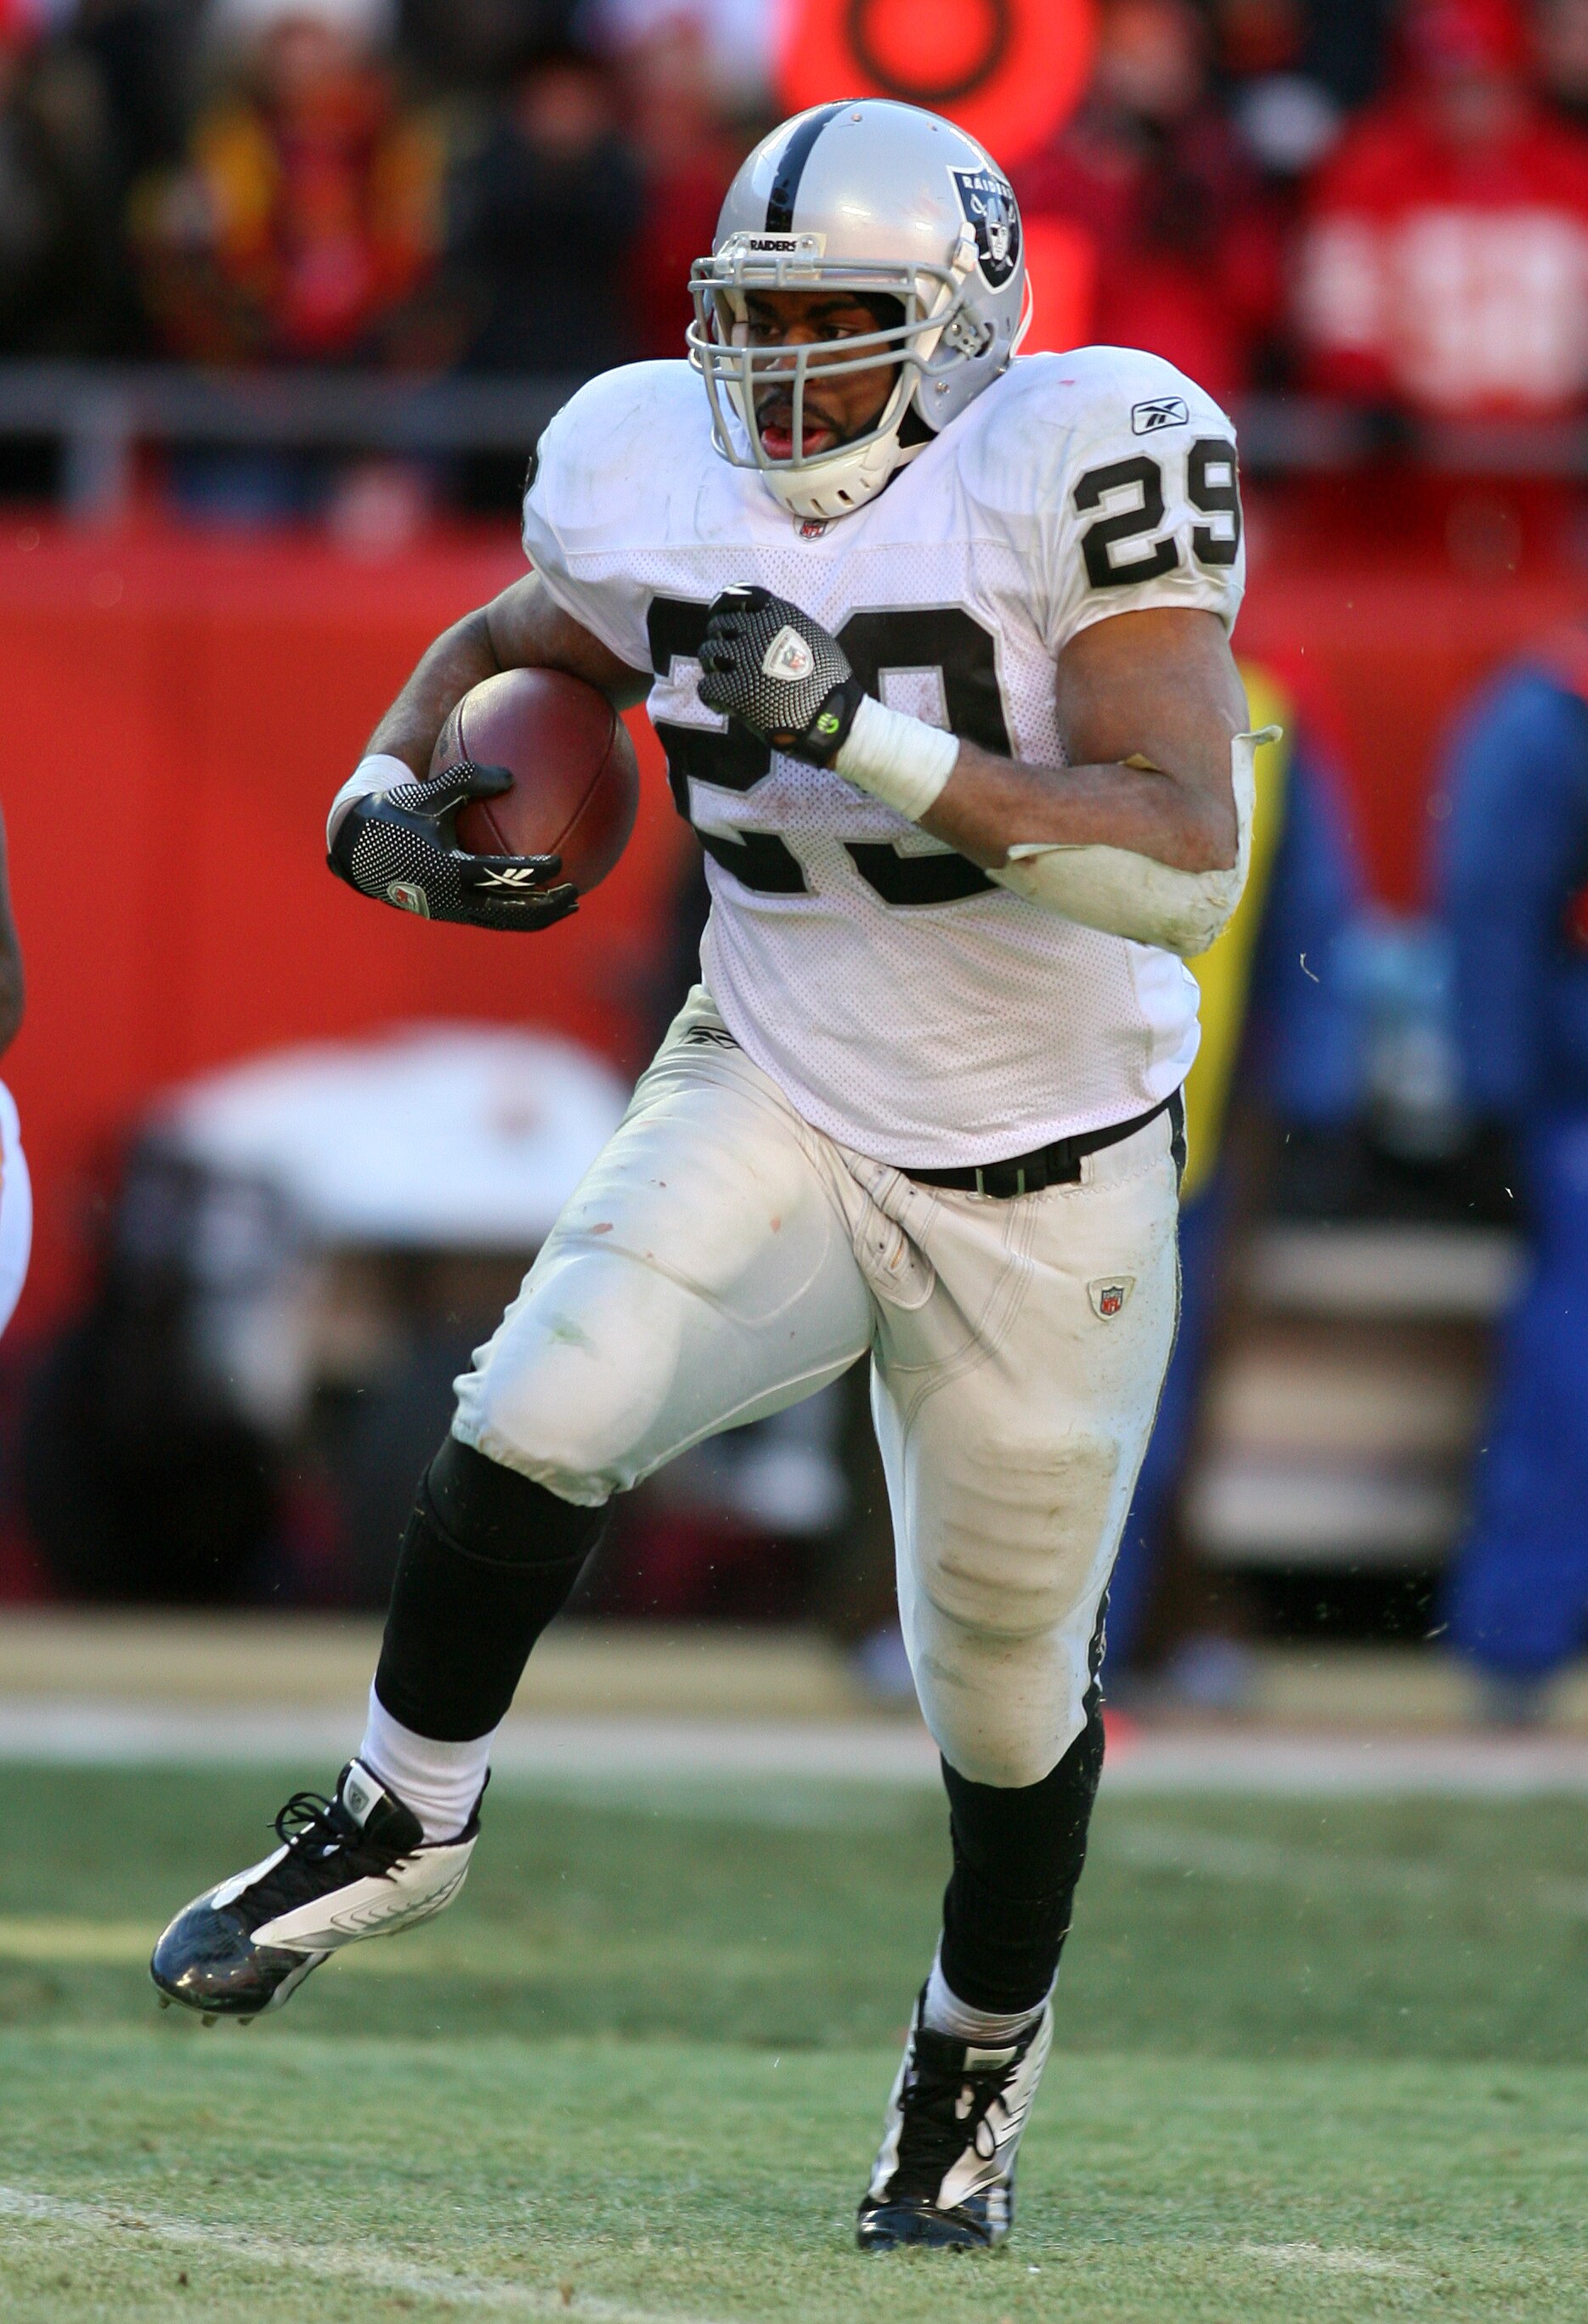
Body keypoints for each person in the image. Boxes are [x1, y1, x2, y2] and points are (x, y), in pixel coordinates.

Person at [151, 98, 1260, 2254]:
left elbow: (1185, 860)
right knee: (539, 1397)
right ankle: (400, 1813)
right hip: (774, 1063)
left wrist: (860, 730)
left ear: (959, 331)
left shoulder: (1082, 453)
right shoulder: (650, 447)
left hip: (1052, 1170)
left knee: (1009, 1685)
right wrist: (384, 789)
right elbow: (519, 639)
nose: (785, 375)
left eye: (841, 328)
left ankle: (967, 2069)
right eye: (754, 325)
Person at [1438, 625, 1588, 1713]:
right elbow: (1493, 908)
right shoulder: (1554, 709)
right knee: (1570, 1367)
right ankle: (1518, 1645)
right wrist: (1495, 1093)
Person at [1296, 0, 1588, 415]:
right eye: (1452, 87)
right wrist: (1367, 386)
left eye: (1485, 84)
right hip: (1411, 458)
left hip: (1549, 459)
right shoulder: (1370, 170)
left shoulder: (1570, 173)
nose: (1469, 106)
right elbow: (1341, 307)